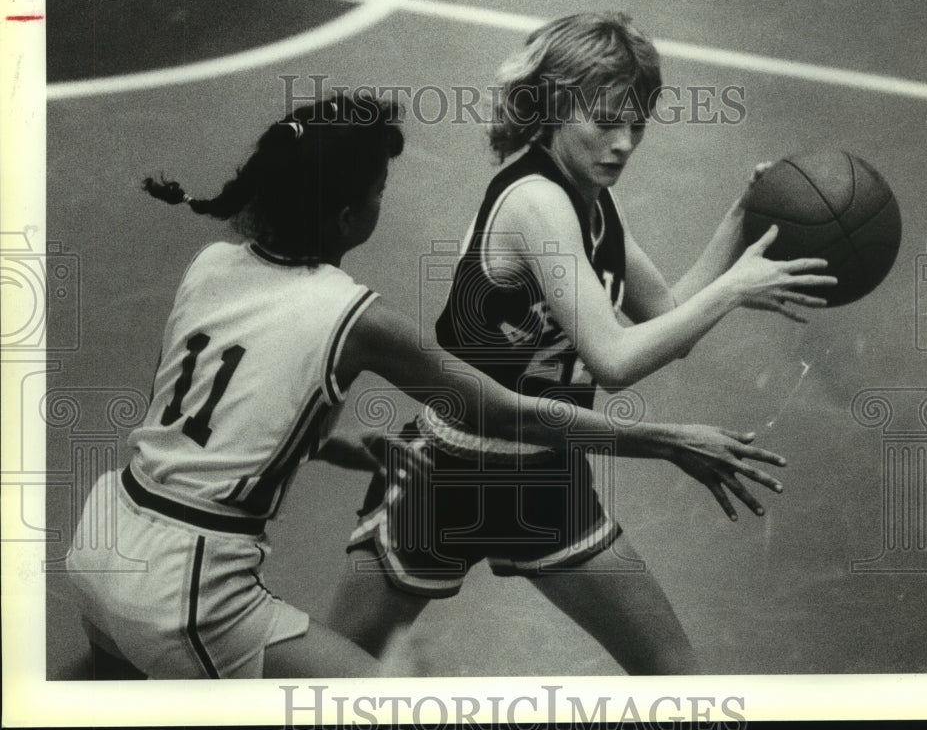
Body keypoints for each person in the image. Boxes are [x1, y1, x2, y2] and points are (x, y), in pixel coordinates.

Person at [65, 89, 790, 679]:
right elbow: (511, 412)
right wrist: (665, 439)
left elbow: (205, 413)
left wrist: (340, 443)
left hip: (106, 536)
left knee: (92, 692)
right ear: (351, 215)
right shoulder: (356, 317)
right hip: (188, 588)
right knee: (384, 702)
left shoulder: (211, 265)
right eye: (379, 190)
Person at [331, 14, 837, 675]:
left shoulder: (593, 199)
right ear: (549, 108)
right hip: (451, 473)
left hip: (544, 473)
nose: (623, 145)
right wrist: (736, 288)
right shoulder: (535, 202)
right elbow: (616, 359)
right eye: (604, 122)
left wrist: (741, 217)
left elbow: (669, 319)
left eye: (636, 125)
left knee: (675, 674)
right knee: (326, 675)